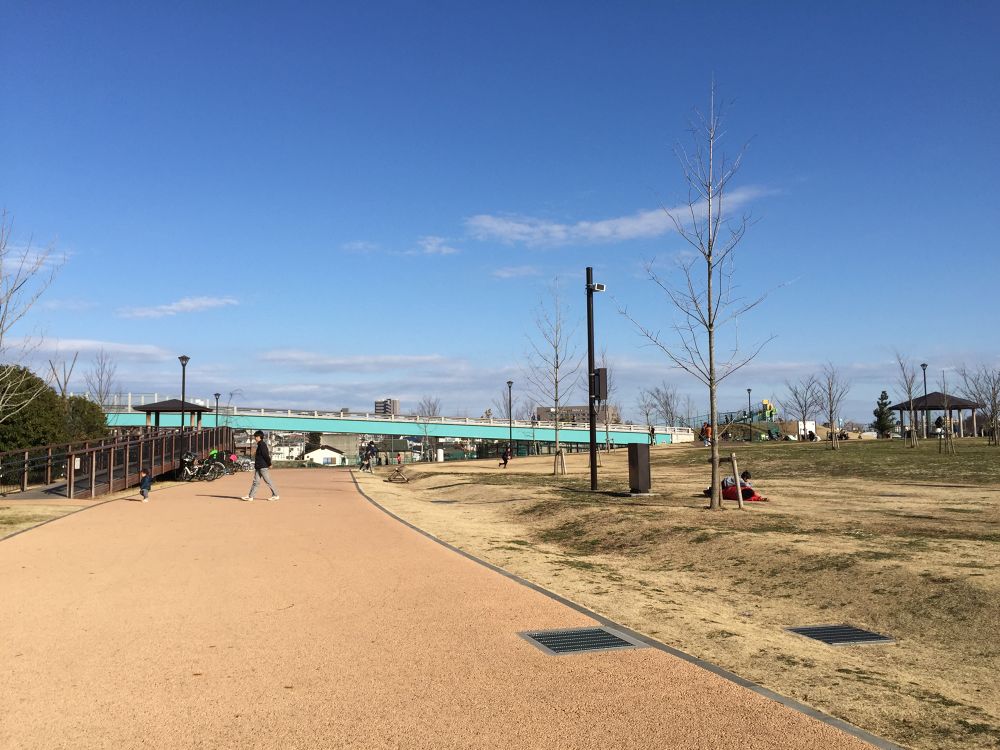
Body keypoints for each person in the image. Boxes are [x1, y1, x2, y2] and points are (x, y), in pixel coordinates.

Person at [243, 430, 279, 501]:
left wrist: (269, 464)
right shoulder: (259, 445)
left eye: (256, 436)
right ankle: (250, 496)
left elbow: (266, 455)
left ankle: (275, 495)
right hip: (258, 467)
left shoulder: (262, 445)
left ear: (259, 437)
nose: (255, 438)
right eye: (255, 437)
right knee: (256, 482)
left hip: (263, 467)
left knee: (268, 481)